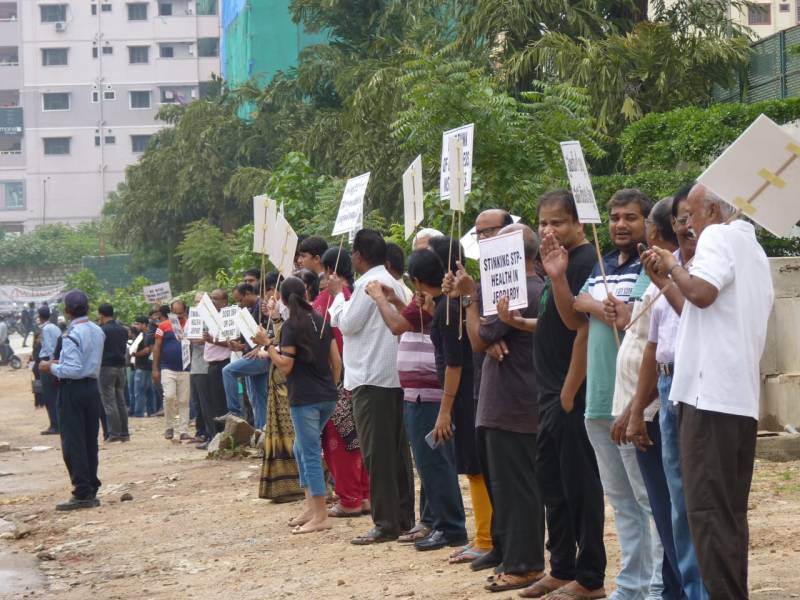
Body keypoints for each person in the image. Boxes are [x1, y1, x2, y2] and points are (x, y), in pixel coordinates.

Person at [645, 184, 773, 600]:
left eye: (690, 218)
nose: (689, 228)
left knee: (706, 515)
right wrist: (667, 278)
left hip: (708, 396)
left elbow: (701, 294)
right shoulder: (752, 248)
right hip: (736, 398)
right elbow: (700, 312)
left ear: (714, 210)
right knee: (726, 516)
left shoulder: (718, 235)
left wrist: (672, 265)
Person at [544, 188, 658, 599]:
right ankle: (631, 585)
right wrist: (559, 278)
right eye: (613, 217)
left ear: (648, 222)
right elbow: (575, 320)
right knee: (622, 503)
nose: (620, 225)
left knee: (648, 501)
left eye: (630, 217)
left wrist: (592, 304)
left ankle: (658, 587)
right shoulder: (604, 265)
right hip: (598, 399)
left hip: (630, 398)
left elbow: (636, 323)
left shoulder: (653, 267)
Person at [447, 222, 546, 593]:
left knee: (517, 488)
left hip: (513, 404)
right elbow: (485, 338)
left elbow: (477, 338)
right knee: (505, 486)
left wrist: (472, 298)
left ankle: (525, 564)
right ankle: (511, 555)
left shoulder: (521, 292)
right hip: (504, 403)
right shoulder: (519, 290)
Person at [517, 190, 606, 599]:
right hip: (549, 392)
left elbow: (580, 328)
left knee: (580, 485)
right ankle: (562, 567)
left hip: (571, 392)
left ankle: (590, 576)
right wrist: (518, 322)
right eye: (543, 224)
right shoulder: (556, 263)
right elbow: (552, 320)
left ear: (579, 223)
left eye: (558, 223)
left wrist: (569, 392)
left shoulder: (587, 262)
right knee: (552, 484)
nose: (549, 231)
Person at [625, 185, 708, 600]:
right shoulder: (667, 271)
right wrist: (638, 408)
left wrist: (670, 276)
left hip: (694, 387)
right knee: (674, 503)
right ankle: (681, 588)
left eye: (692, 216)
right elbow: (653, 348)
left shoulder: (705, 271)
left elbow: (694, 316)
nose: (687, 224)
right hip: (665, 383)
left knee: (696, 501)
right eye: (680, 218)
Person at [605, 197, 680, 599]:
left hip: (652, 409)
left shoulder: (672, 277)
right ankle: (664, 586)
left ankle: (661, 587)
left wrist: (636, 410)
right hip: (640, 406)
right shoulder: (654, 277)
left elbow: (658, 352)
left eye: (636, 221)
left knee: (663, 508)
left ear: (653, 232)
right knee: (650, 500)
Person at [327, 229, 415, 545]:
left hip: (370, 376)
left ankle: (386, 522)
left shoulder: (368, 284)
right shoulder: (394, 280)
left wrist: (338, 295)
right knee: (397, 452)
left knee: (378, 454)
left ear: (360, 256)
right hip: (392, 376)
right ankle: (403, 517)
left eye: (353, 253)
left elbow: (347, 323)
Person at [254, 276, 341, 534]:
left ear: (281, 298)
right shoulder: (322, 321)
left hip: (305, 398)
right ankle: (311, 508)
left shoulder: (292, 325)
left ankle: (321, 515)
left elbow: (286, 365)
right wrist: (331, 388)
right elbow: (336, 362)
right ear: (306, 293)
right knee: (301, 448)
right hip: (327, 396)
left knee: (310, 452)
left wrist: (268, 345)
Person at [397, 247, 468, 551]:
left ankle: (450, 527)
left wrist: (444, 410)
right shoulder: (438, 307)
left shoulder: (446, 309)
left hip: (432, 398)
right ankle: (442, 522)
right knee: (428, 464)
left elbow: (453, 362)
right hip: (421, 395)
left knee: (436, 464)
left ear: (415, 280)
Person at [311, 249, 371, 519]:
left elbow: (319, 345)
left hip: (335, 381)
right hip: (361, 376)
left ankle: (349, 498)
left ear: (327, 269)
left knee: (338, 441)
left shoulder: (324, 302)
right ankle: (366, 494)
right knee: (359, 440)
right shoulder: (360, 294)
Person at [38, 289, 105, 511]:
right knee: (89, 440)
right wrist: (63, 363)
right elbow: (85, 362)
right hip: (91, 388)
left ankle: (82, 492)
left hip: (73, 390)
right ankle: (91, 486)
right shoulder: (97, 330)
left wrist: (50, 366)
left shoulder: (71, 335)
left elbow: (73, 369)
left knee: (73, 442)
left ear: (67, 311)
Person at [257, 294, 303, 504]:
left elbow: (285, 354)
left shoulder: (299, 322)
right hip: (280, 383)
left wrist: (267, 347)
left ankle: (301, 486)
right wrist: (275, 319)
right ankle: (288, 486)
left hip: (290, 384)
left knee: (296, 436)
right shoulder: (287, 323)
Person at [222, 283, 269, 429]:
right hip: (254, 354)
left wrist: (261, 346)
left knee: (228, 371)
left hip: (262, 355)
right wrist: (239, 346)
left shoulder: (263, 307)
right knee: (258, 397)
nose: (238, 303)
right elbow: (249, 340)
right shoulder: (247, 309)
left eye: (240, 300)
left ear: (248, 293)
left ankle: (235, 411)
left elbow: (271, 332)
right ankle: (262, 430)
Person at [152, 301, 191, 441]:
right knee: (168, 396)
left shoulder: (190, 325)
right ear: (170, 313)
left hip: (186, 368)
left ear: (185, 312)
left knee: (184, 400)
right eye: (175, 313)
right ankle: (169, 427)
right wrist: (155, 368)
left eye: (181, 314)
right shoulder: (163, 326)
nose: (178, 317)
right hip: (167, 367)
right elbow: (156, 347)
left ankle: (184, 430)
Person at [97, 303, 131, 442]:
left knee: (109, 402)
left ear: (101, 315)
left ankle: (115, 433)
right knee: (121, 401)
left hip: (106, 367)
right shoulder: (123, 330)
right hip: (120, 367)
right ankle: (125, 433)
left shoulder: (102, 330)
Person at [38, 306, 62, 435]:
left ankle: (54, 425)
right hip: (56, 361)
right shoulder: (55, 327)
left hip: (48, 362)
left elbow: (49, 347)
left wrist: (51, 364)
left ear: (40, 316)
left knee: (49, 395)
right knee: (56, 395)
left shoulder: (46, 329)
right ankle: (57, 423)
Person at [131, 316, 156, 417]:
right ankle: (151, 411)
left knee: (139, 391)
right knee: (149, 391)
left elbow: (147, 350)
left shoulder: (146, 336)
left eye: (138, 324)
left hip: (143, 366)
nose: (136, 326)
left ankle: (139, 412)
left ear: (144, 324)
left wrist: (135, 354)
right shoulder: (142, 335)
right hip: (148, 366)